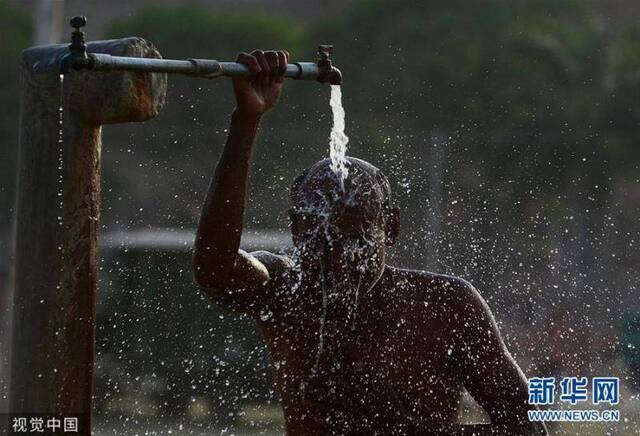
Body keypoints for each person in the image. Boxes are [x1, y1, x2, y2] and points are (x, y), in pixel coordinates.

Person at [193, 49, 547, 435]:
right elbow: (215, 268)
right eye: (317, 231)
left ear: (390, 229)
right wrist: (247, 120)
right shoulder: (286, 291)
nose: (335, 252)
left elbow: (528, 426)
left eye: (354, 231)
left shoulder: (446, 306)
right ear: (295, 231)